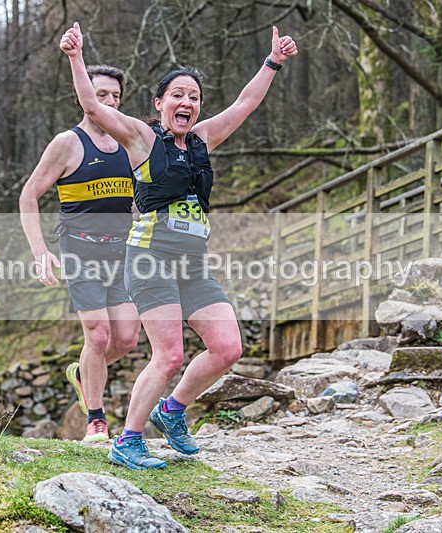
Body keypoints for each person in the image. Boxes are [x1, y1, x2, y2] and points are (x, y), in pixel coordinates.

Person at [60, 22, 297, 469]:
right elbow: (91, 103)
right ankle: (127, 441)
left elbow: (246, 104)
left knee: (228, 347)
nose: (186, 102)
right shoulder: (142, 138)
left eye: (193, 97)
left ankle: (172, 411)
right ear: (160, 103)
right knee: (169, 355)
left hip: (193, 264)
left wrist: (273, 63)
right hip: (150, 259)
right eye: (177, 95)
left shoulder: (204, 140)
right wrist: (75, 56)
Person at [19, 65, 141, 442]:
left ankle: (82, 372)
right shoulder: (67, 144)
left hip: (121, 254)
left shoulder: (129, 144)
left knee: (127, 340)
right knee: (98, 333)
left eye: (115, 97)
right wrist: (40, 252)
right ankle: (96, 419)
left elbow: (134, 202)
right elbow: (28, 195)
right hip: (79, 251)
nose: (109, 103)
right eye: (101, 95)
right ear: (84, 97)